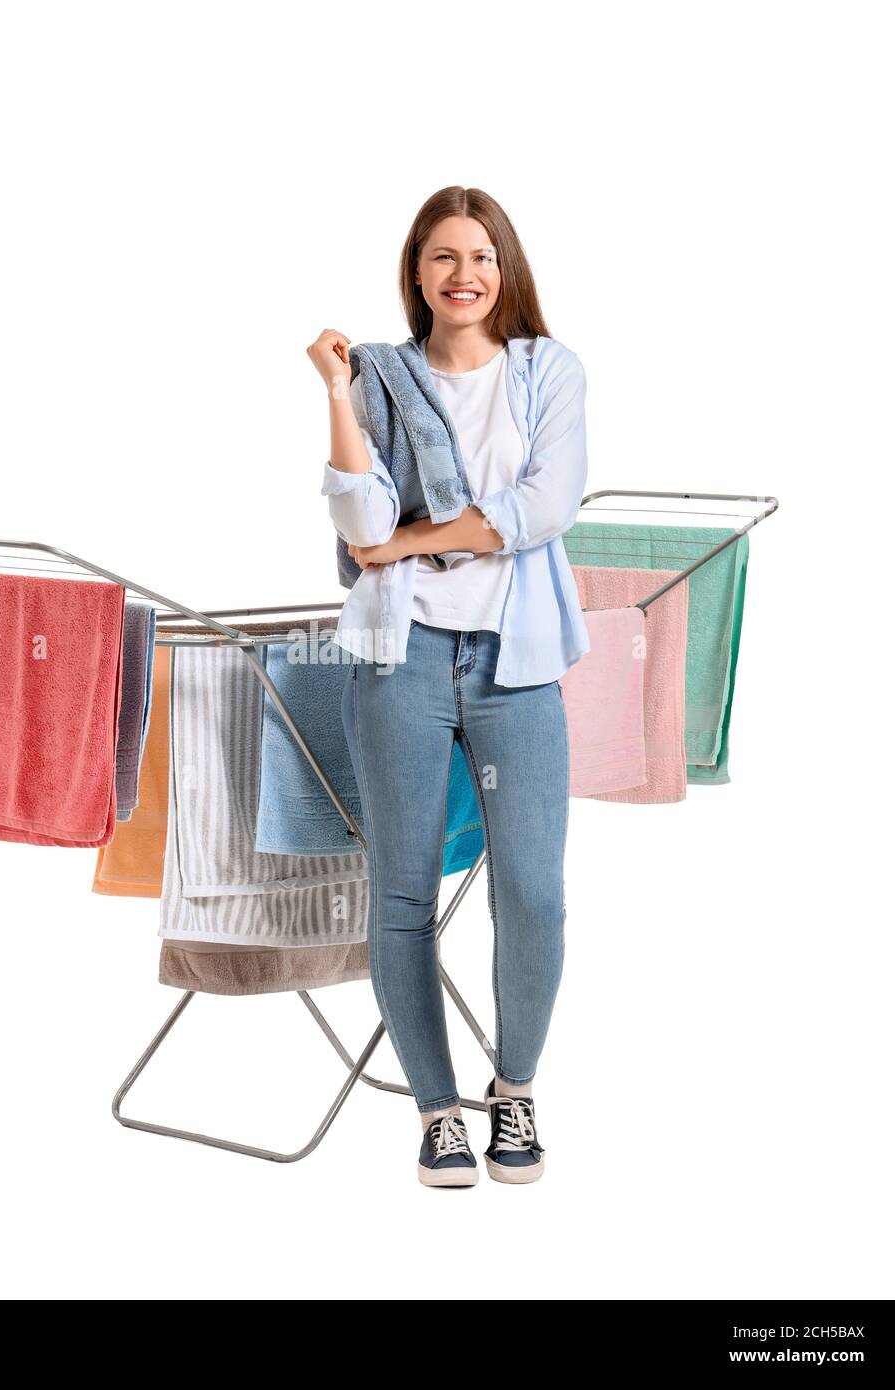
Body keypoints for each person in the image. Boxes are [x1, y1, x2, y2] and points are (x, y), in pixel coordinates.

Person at [306, 185, 590, 1188]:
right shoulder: (381, 377)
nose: (462, 272)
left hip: (515, 666)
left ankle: (512, 1093)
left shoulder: (546, 370)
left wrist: (414, 542)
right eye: (441, 256)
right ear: (416, 273)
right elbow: (357, 523)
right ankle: (436, 1112)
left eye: (480, 254)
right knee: (401, 895)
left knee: (535, 894)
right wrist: (337, 397)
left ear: (503, 270)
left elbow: (543, 505)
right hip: (402, 660)